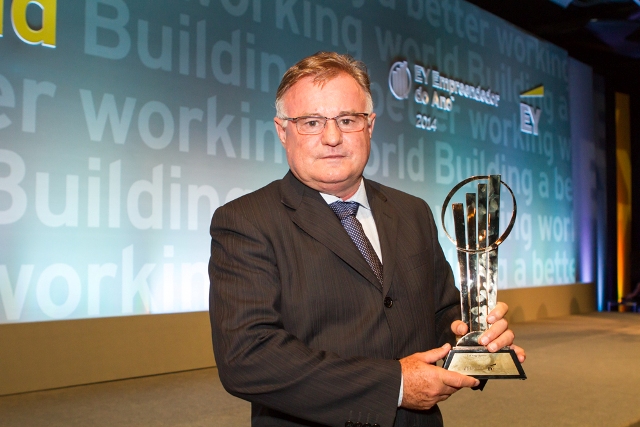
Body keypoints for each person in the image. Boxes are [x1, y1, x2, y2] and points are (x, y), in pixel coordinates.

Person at [209, 51, 525, 427]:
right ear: (282, 131)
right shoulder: (246, 221)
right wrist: (396, 386)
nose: (332, 137)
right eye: (311, 122)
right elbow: (247, 358)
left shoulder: (412, 211)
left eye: (347, 120)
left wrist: (472, 336)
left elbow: (441, 312)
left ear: (370, 125)